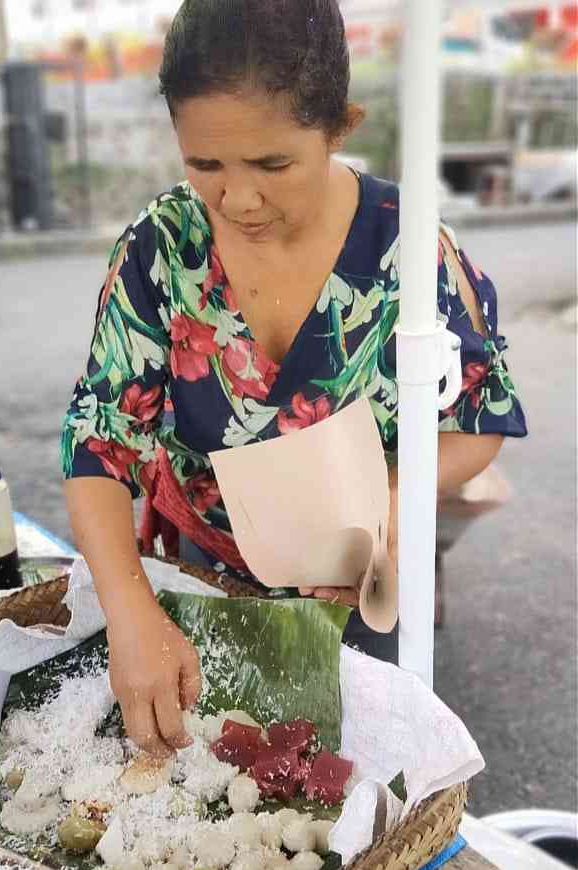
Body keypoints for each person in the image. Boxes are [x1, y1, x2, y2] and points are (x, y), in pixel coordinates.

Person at [61, 0, 527, 759]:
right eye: (204, 165)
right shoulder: (161, 247)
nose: (238, 200)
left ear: (339, 126)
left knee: (354, 772)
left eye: (273, 164)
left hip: (355, 580)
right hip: (204, 571)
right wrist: (131, 610)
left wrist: (392, 512)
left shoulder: (408, 251)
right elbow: (98, 443)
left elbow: (477, 416)